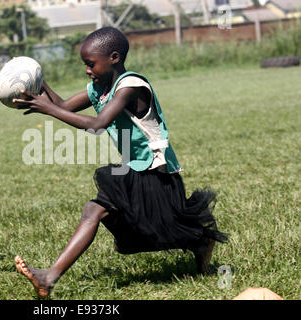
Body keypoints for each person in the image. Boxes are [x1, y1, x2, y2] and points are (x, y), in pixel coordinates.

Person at [13, 27, 228, 298]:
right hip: (134, 169)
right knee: (104, 220)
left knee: (134, 226)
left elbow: (98, 124)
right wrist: (38, 82)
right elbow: (65, 106)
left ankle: (198, 240)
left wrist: (49, 109)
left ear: (114, 57)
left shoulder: (130, 87)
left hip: (156, 173)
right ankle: (48, 278)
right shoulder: (99, 88)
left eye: (90, 64)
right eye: (85, 64)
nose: (87, 70)